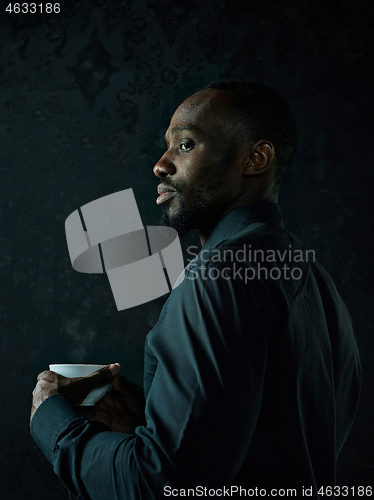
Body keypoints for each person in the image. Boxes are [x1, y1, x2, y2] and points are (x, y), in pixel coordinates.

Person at [30, 80, 361, 499]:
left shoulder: (215, 278)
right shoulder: (316, 282)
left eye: (186, 145)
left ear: (255, 158)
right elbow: (268, 448)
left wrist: (54, 421)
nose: (161, 165)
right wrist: (154, 416)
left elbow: (160, 486)